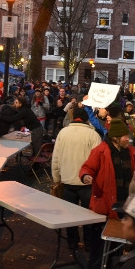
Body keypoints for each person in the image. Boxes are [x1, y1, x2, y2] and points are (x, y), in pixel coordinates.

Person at [79, 119, 135, 269]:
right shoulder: (100, 151)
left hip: (123, 207)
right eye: (125, 135)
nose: (128, 138)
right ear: (116, 137)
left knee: (117, 242)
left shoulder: (130, 152)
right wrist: (85, 176)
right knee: (99, 242)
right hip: (104, 207)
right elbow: (87, 167)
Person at [51, 106, 102, 250]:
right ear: (86, 119)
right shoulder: (93, 135)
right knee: (88, 215)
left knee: (70, 216)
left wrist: (56, 178)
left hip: (67, 180)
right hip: (87, 182)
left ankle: (72, 242)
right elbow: (98, 160)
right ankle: (88, 242)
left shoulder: (63, 133)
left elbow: (56, 158)